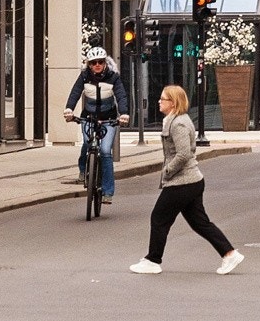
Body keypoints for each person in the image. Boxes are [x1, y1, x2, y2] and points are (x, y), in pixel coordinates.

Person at [131, 85, 243, 274]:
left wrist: (167, 171)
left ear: (173, 103)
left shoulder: (179, 124)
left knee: (159, 218)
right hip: (191, 182)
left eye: (163, 99)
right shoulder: (175, 120)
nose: (159, 101)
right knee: (200, 223)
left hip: (182, 182)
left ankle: (152, 260)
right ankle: (230, 254)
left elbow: (183, 154)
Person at [65, 46, 129, 206]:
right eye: (93, 63)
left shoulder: (113, 77)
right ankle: (82, 169)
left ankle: (107, 192)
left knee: (106, 152)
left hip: (109, 119)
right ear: (89, 64)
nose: (97, 65)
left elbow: (121, 96)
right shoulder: (84, 77)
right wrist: (69, 109)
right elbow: (75, 93)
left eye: (100, 62)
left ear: (105, 63)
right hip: (89, 117)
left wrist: (124, 113)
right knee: (87, 143)